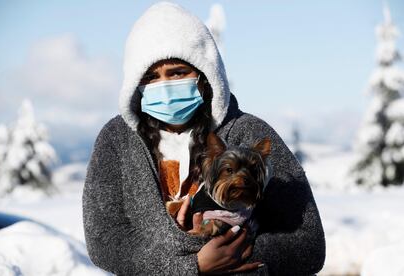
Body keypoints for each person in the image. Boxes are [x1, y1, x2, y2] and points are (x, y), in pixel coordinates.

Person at [82, 2, 325, 275]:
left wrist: (235, 257)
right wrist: (192, 266)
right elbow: (104, 239)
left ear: (204, 75)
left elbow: (308, 243)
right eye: (151, 77)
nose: (164, 86)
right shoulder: (118, 141)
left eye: (177, 72)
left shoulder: (250, 133)